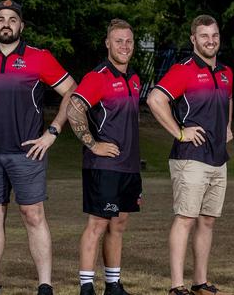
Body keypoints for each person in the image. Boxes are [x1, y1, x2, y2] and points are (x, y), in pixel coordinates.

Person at [0, 0, 77, 295]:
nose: (6, 23)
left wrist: (53, 131)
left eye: (12, 19)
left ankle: (45, 284)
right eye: (0, 18)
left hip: (28, 151)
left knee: (33, 214)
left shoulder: (39, 58)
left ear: (21, 26)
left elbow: (71, 91)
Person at [147, 15, 233, 295]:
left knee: (207, 220)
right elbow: (155, 99)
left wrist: (228, 127)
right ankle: (176, 285)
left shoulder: (225, 72)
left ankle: (200, 282)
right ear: (193, 40)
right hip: (190, 156)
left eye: (215, 35)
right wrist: (180, 132)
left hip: (218, 158)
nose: (211, 40)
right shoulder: (183, 70)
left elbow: (227, 98)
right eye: (204, 36)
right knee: (185, 218)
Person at [67, 19, 141, 295]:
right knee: (98, 223)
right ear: (107, 43)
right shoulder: (98, 76)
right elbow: (75, 108)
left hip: (129, 166)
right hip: (103, 165)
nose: (124, 46)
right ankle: (86, 286)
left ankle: (113, 285)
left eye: (129, 41)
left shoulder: (133, 78)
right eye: (118, 40)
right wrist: (93, 144)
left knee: (119, 223)